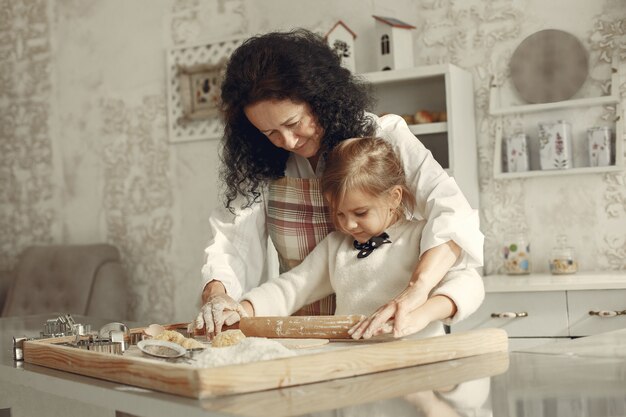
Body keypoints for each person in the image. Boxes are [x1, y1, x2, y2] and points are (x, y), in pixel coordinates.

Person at [191, 28, 483, 339]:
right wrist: (220, 296)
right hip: (307, 337)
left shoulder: (384, 139)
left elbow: (451, 213)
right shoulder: (262, 164)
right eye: (269, 133)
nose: (287, 141)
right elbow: (235, 248)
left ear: (320, 100)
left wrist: (417, 293)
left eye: (292, 123)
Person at [212, 137, 484, 339]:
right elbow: (291, 288)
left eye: (360, 212)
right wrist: (243, 308)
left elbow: (470, 285)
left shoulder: (421, 237)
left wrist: (421, 315)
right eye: (339, 213)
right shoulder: (336, 247)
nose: (348, 224)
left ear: (394, 197)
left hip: (419, 366)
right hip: (356, 368)